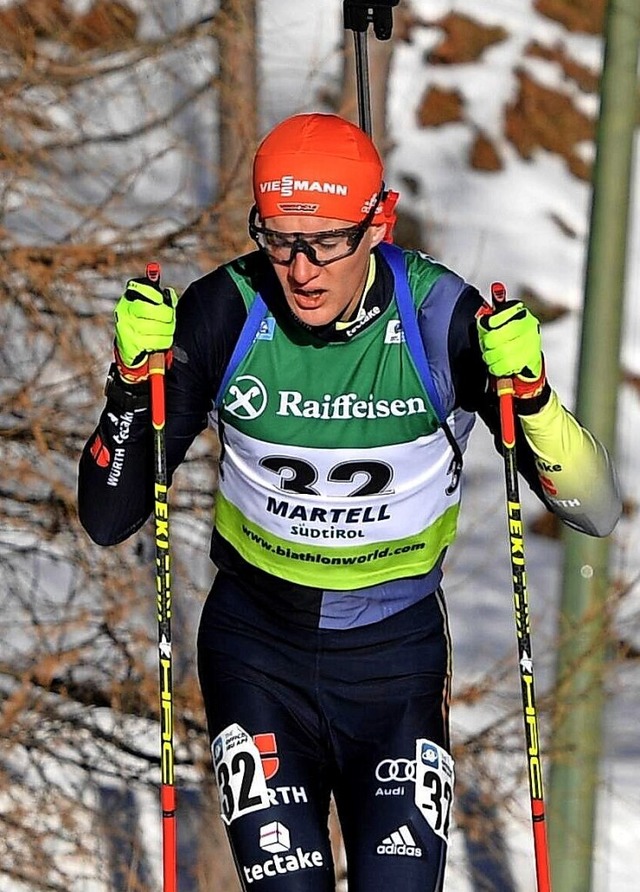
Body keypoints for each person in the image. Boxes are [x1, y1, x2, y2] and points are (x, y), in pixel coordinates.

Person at [78, 113, 621, 891]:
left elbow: (595, 509)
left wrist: (529, 397)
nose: (300, 269)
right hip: (258, 653)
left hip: (393, 665)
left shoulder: (440, 321)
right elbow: (107, 516)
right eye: (278, 239)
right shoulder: (225, 309)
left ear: (378, 224)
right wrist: (133, 386)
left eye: (327, 241)